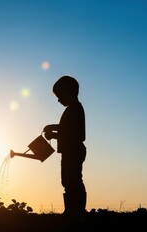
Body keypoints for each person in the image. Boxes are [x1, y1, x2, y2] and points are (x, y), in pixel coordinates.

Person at [43, 75, 87, 220]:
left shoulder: (75, 110)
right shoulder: (73, 110)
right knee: (68, 181)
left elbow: (75, 134)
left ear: (69, 93)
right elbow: (66, 130)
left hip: (73, 151)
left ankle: (76, 212)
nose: (58, 100)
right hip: (70, 151)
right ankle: (72, 211)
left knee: (73, 180)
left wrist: (53, 132)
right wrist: (53, 132)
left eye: (60, 96)